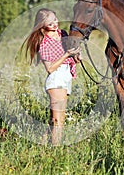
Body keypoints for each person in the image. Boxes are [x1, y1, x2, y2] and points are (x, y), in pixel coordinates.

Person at [23, 8, 81, 145]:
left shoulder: (63, 34)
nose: (55, 24)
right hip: (57, 78)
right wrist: (66, 55)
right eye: (50, 23)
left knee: (54, 120)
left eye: (55, 19)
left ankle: (43, 146)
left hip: (66, 77)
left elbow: (73, 59)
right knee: (59, 121)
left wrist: (76, 56)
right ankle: (56, 150)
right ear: (43, 25)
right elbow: (50, 68)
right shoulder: (44, 42)